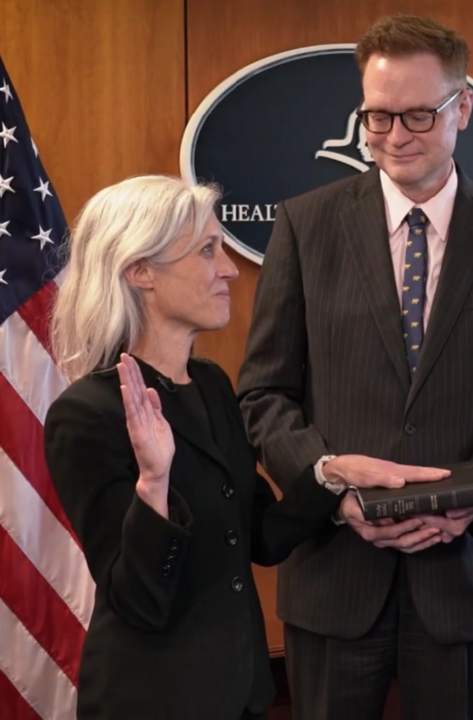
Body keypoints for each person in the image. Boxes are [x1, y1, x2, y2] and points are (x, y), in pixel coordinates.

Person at [236, 14, 473, 720]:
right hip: (334, 578)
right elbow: (264, 394)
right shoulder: (305, 225)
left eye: (418, 115)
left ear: (463, 108)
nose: (394, 136)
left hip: (459, 582)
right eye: (377, 117)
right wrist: (333, 492)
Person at [43, 175, 445, 720]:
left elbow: (259, 535)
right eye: (208, 250)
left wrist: (329, 476)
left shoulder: (210, 384)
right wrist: (154, 485)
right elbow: (139, 600)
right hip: (154, 703)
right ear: (141, 271)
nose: (229, 268)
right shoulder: (86, 414)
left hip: (243, 693)